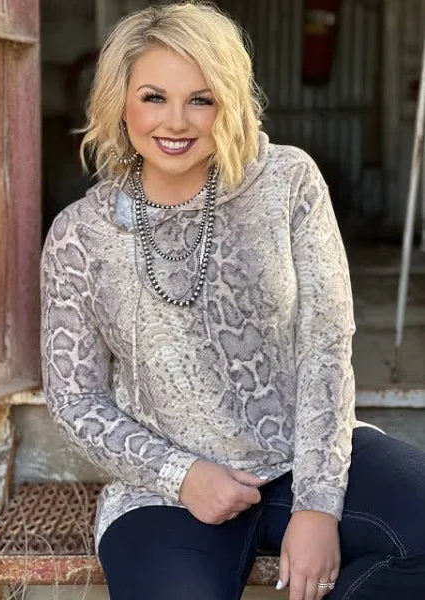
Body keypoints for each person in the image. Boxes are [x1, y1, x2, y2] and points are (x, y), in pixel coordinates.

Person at [40, 2, 425, 599]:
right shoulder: (80, 235)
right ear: (119, 102)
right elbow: (76, 400)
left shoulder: (287, 183)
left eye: (201, 98)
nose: (176, 121)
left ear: (229, 101)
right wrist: (182, 474)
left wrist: (317, 504)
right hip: (165, 491)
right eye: (153, 97)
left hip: (304, 456)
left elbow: (324, 348)